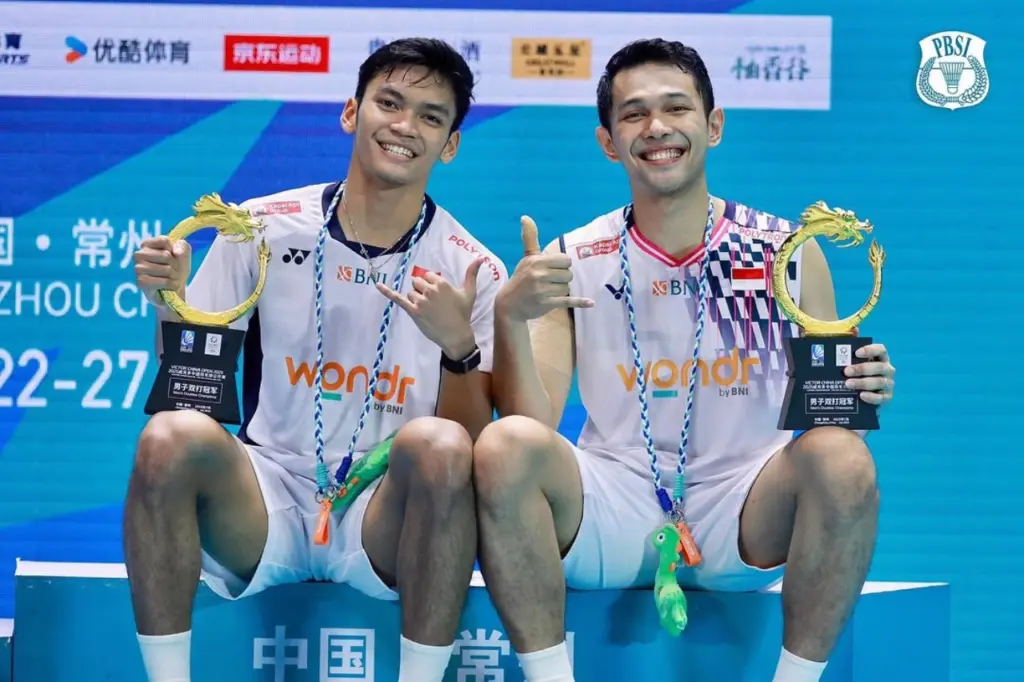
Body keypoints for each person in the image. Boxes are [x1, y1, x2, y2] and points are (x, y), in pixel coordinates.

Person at [474, 38, 896, 682]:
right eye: (634, 114)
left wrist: (860, 387)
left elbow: (829, 421)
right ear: (608, 142)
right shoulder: (572, 258)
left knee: (843, 458)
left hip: (742, 507)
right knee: (504, 445)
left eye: (676, 108)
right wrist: (511, 317)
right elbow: (533, 424)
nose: (657, 127)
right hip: (614, 504)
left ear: (714, 125)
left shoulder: (785, 252)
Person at [124, 38, 508, 682]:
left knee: (441, 447)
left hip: (381, 516)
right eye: (389, 103)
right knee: (169, 437)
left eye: (430, 117)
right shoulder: (260, 228)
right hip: (265, 496)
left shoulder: (473, 270)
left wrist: (457, 348)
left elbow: (466, 453)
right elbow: (192, 391)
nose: (404, 126)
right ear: (351, 112)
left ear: (450, 145)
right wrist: (169, 302)